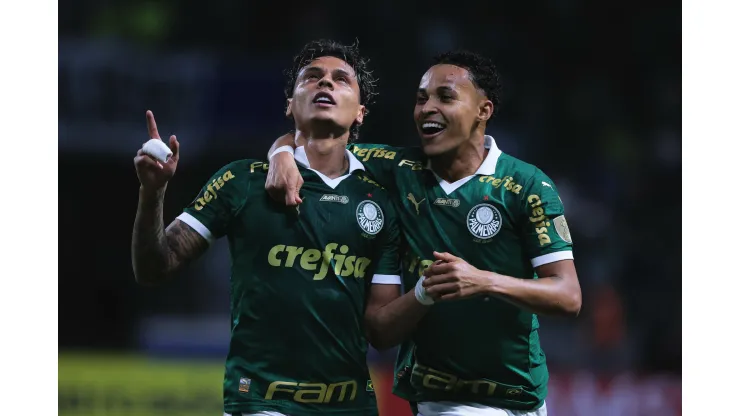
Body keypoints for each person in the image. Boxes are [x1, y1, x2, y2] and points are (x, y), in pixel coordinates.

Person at [265, 50, 582, 416]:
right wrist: (280, 155)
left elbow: (568, 295)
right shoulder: (397, 168)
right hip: (444, 399)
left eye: (445, 97)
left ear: (484, 110)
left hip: (523, 396)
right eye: (421, 99)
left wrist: (484, 282)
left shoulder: (526, 185)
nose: (427, 108)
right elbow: (315, 141)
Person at [131, 39, 428, 416]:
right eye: (313, 77)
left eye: (341, 80)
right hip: (262, 403)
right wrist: (152, 193)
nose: (325, 84)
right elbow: (154, 267)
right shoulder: (241, 182)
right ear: (290, 104)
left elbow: (381, 333)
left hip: (352, 406)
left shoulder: (381, 201)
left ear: (360, 113)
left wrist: (426, 291)